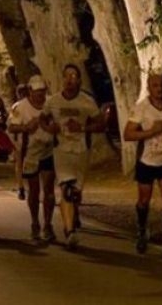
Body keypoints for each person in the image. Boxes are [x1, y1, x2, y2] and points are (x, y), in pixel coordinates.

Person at [40, 64, 105, 250]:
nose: (70, 80)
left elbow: (101, 124)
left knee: (75, 193)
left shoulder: (87, 102)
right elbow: (42, 119)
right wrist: (49, 128)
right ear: (62, 79)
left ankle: (74, 214)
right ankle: (69, 232)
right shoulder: (53, 101)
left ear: (79, 80)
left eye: (74, 76)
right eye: (67, 76)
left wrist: (83, 128)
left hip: (81, 150)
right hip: (61, 150)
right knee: (66, 190)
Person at [123, 72, 162, 256]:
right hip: (146, 161)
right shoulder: (141, 109)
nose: (159, 89)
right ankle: (142, 232)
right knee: (144, 200)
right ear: (149, 88)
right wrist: (150, 132)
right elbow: (128, 134)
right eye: (155, 86)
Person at [8, 76, 56, 240]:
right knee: (34, 191)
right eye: (37, 92)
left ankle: (48, 224)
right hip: (30, 153)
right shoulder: (21, 107)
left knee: (49, 188)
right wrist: (26, 127)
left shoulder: (51, 103)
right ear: (30, 91)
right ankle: (35, 221)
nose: (40, 96)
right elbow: (11, 127)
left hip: (49, 150)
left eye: (42, 92)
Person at [9, 84, 29, 200]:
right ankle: (21, 186)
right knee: (19, 164)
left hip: (34, 140)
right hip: (20, 139)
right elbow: (12, 124)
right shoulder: (16, 106)